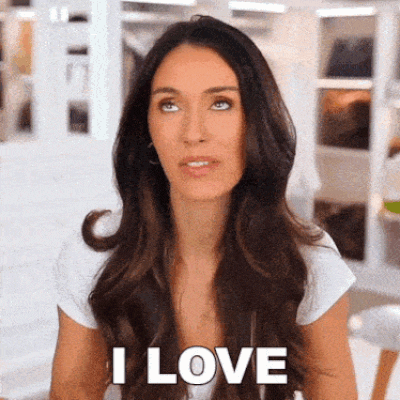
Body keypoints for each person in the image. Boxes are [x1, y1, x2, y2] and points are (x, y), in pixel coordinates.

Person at [50, 15, 358, 400]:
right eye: (169, 105)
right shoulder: (96, 257)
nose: (194, 132)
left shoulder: (310, 263)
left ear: (255, 121)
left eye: (221, 103)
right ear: (147, 128)